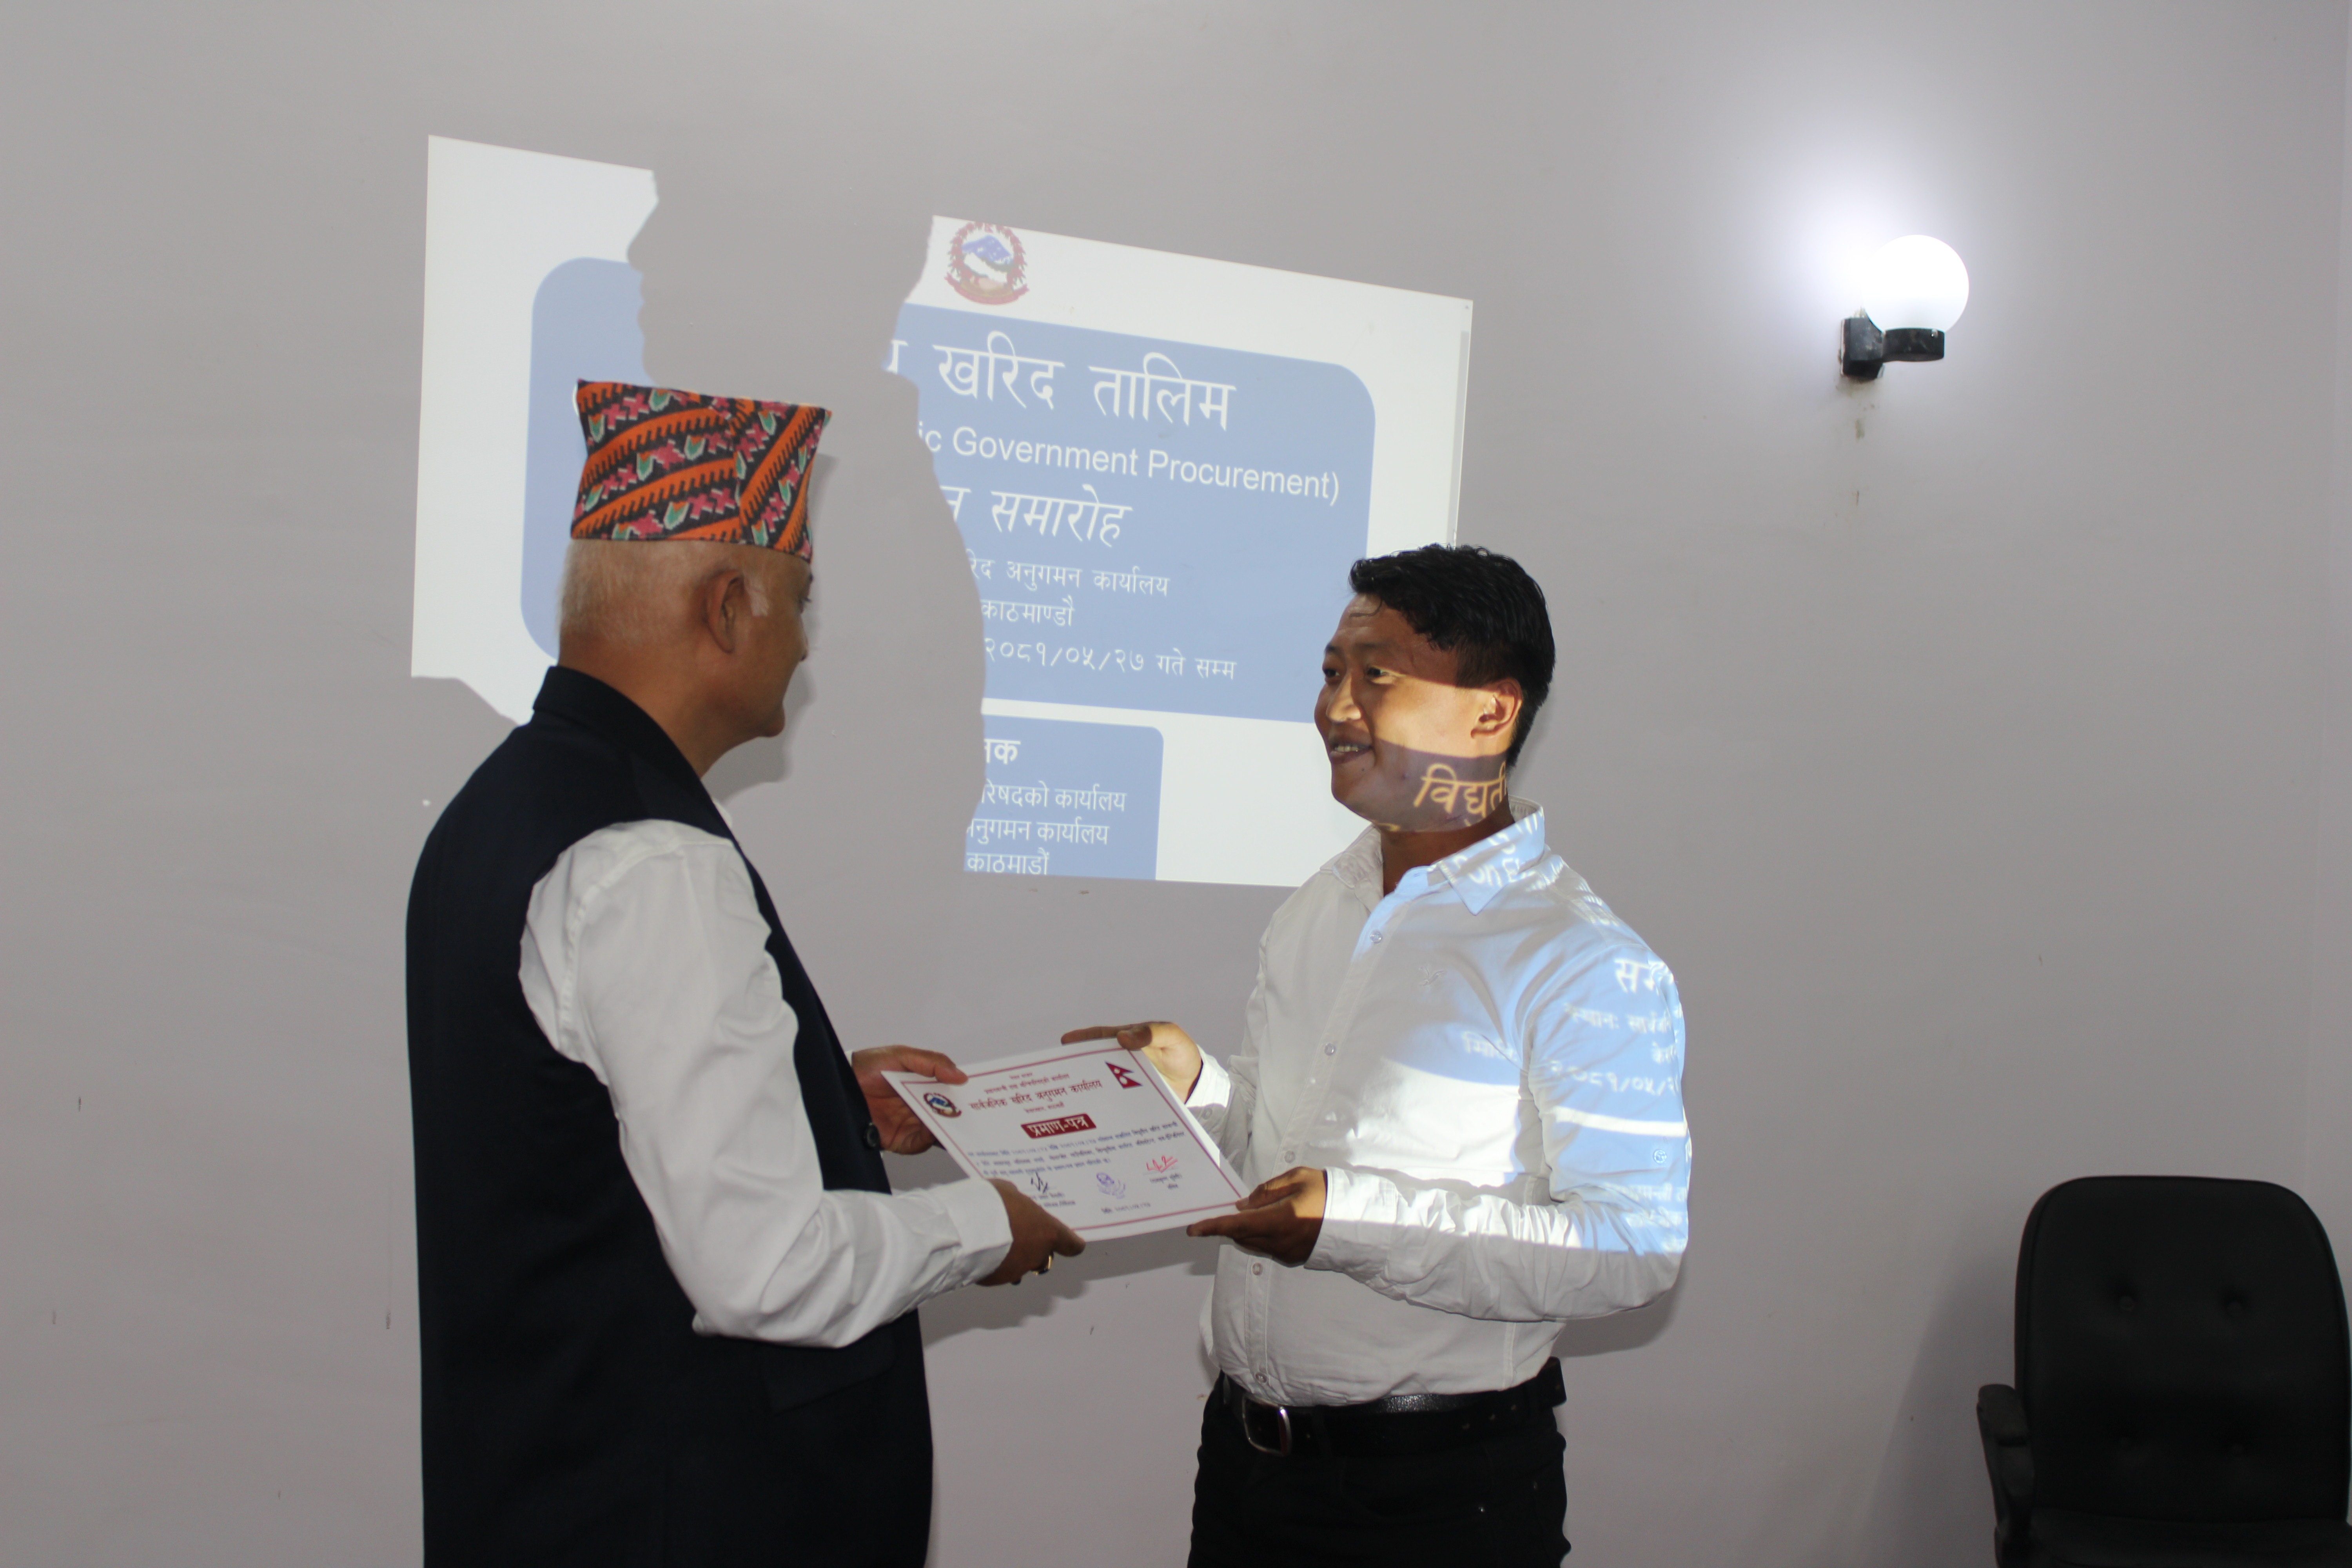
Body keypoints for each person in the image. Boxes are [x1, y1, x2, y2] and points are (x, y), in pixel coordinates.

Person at [406, 379, 1082, 1567]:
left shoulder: (506, 807)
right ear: (727, 608)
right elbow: (766, 1272)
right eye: (799, 603)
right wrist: (991, 1221)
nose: (806, 645)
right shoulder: (652, 858)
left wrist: (822, 1099)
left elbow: (587, 1127)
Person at [1065, 545, 1690, 1568]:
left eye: (1376, 676)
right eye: (1330, 672)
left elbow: (1634, 1246)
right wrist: (1194, 1089)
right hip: (1246, 1468)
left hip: (1439, 1498)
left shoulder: (1582, 959)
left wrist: (1346, 1223)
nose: (1335, 708)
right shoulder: (1323, 904)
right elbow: (1276, 1152)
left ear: (1491, 713)